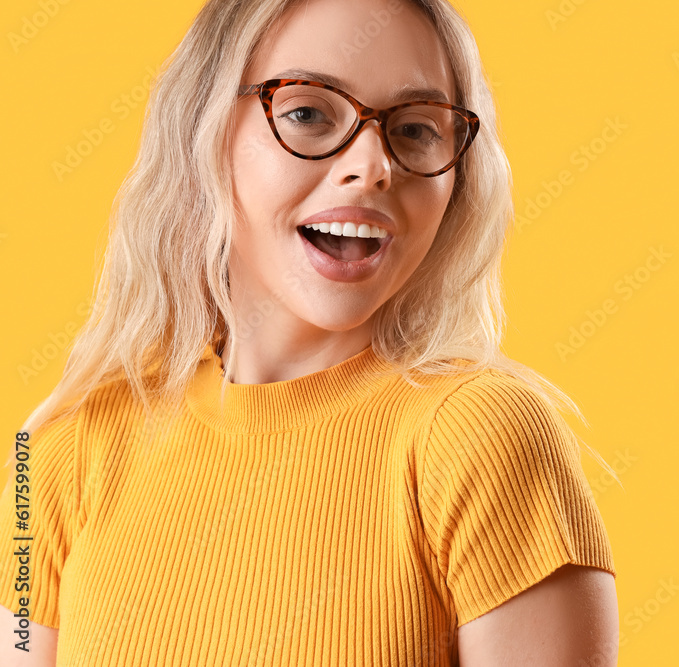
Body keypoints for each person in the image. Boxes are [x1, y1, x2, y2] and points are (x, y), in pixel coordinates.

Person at [0, 0, 620, 664]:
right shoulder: (56, 448)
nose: (374, 165)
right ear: (203, 131)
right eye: (307, 112)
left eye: (414, 130)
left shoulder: (480, 438)